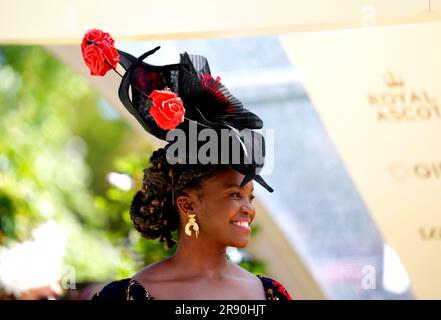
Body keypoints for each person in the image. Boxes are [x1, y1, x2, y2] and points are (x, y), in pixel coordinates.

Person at [81, 29, 292, 300]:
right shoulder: (126, 296)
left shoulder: (270, 294)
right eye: (235, 194)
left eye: (249, 197)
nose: (249, 209)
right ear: (187, 204)